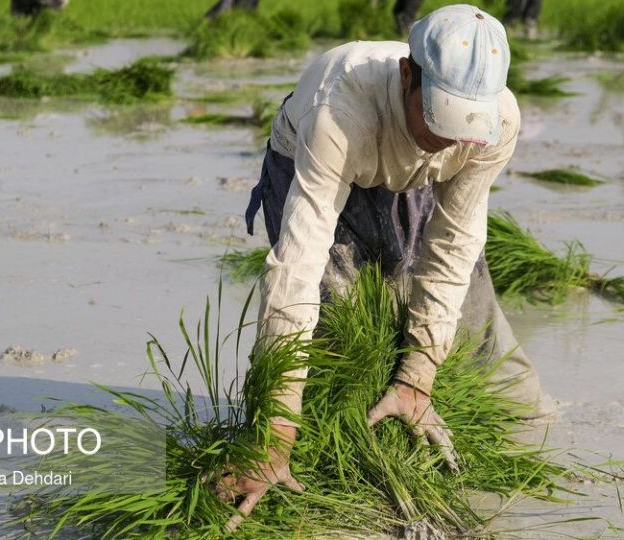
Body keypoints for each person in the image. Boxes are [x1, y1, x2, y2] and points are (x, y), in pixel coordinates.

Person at [219, 4, 553, 531]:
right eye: (441, 115)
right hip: (320, 157)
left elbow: (455, 242)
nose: (452, 137)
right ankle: (300, 450)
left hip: (410, 171)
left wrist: (419, 376)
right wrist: (274, 431)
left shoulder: (497, 123)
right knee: (339, 322)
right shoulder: (340, 110)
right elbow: (296, 267)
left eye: (466, 124)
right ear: (406, 76)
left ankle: (523, 423)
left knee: (470, 318)